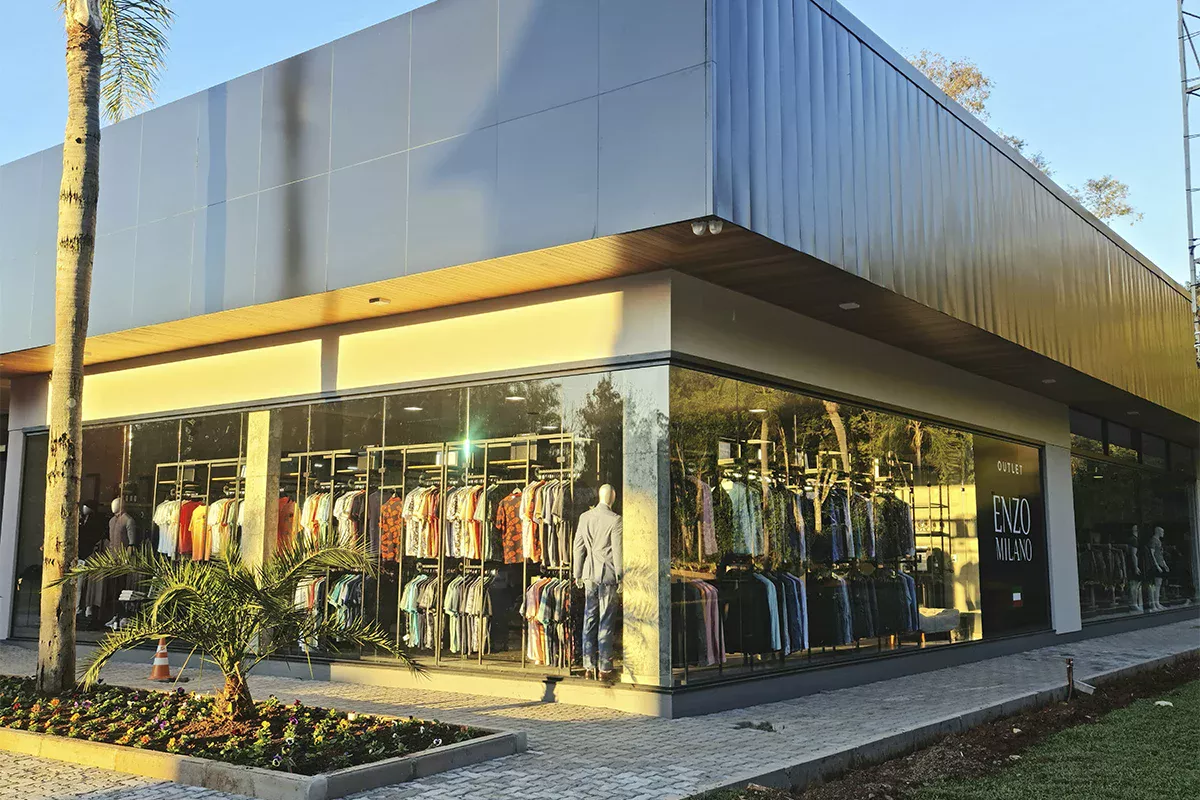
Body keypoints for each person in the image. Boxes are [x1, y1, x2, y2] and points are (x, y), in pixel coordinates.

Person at [572, 484, 622, 680]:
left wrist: (577, 573)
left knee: (589, 618)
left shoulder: (585, 517)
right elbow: (617, 551)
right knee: (606, 621)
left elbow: (578, 547)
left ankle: (588, 666)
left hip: (588, 573)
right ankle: (604, 669)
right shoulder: (615, 520)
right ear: (613, 498)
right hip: (607, 574)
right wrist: (620, 575)